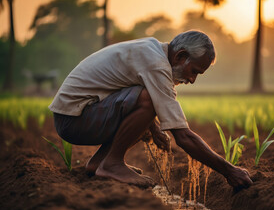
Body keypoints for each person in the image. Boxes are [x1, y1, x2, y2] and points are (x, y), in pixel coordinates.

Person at [49, 30, 253, 189]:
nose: (192, 80)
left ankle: (100, 163)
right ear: (181, 56)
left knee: (148, 101)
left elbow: (122, 93)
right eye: (194, 72)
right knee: (148, 99)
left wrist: (153, 127)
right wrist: (229, 170)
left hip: (77, 115)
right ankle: (112, 164)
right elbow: (183, 137)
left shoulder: (152, 50)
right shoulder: (157, 64)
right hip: (74, 121)